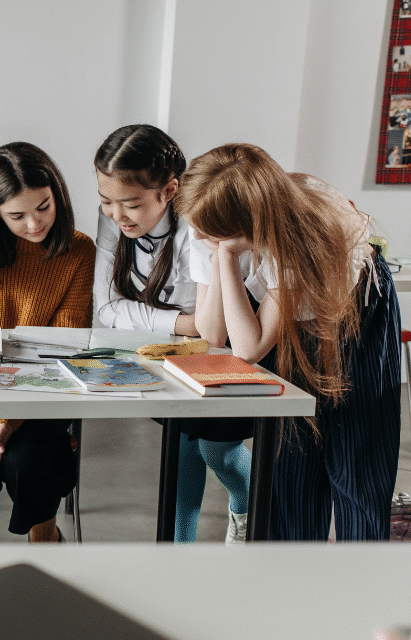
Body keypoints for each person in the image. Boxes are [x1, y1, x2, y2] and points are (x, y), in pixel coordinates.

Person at [177, 143, 402, 541]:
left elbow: (249, 347)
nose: (197, 235)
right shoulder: (209, 219)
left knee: (355, 463)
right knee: (292, 463)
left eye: (209, 232)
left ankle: (365, 580)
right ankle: (291, 579)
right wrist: (221, 254)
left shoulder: (300, 232)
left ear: (247, 226)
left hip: (356, 315)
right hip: (289, 321)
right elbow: (213, 333)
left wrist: (226, 257)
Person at [93, 124, 252, 543]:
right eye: (105, 201)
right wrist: (183, 323)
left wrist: (180, 323)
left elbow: (213, 329)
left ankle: (247, 508)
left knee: (218, 453)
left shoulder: (199, 226)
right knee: (182, 451)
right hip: (173, 353)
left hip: (231, 347)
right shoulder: (116, 219)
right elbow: (107, 309)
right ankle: (178, 553)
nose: (115, 215)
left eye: (129, 204)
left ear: (169, 191)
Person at [0, 142, 95, 543]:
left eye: (44, 206)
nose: (34, 224)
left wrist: (13, 419)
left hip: (48, 384)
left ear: (56, 193)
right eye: (17, 215)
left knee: (27, 462)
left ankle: (45, 538)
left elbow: (65, 342)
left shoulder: (78, 251)